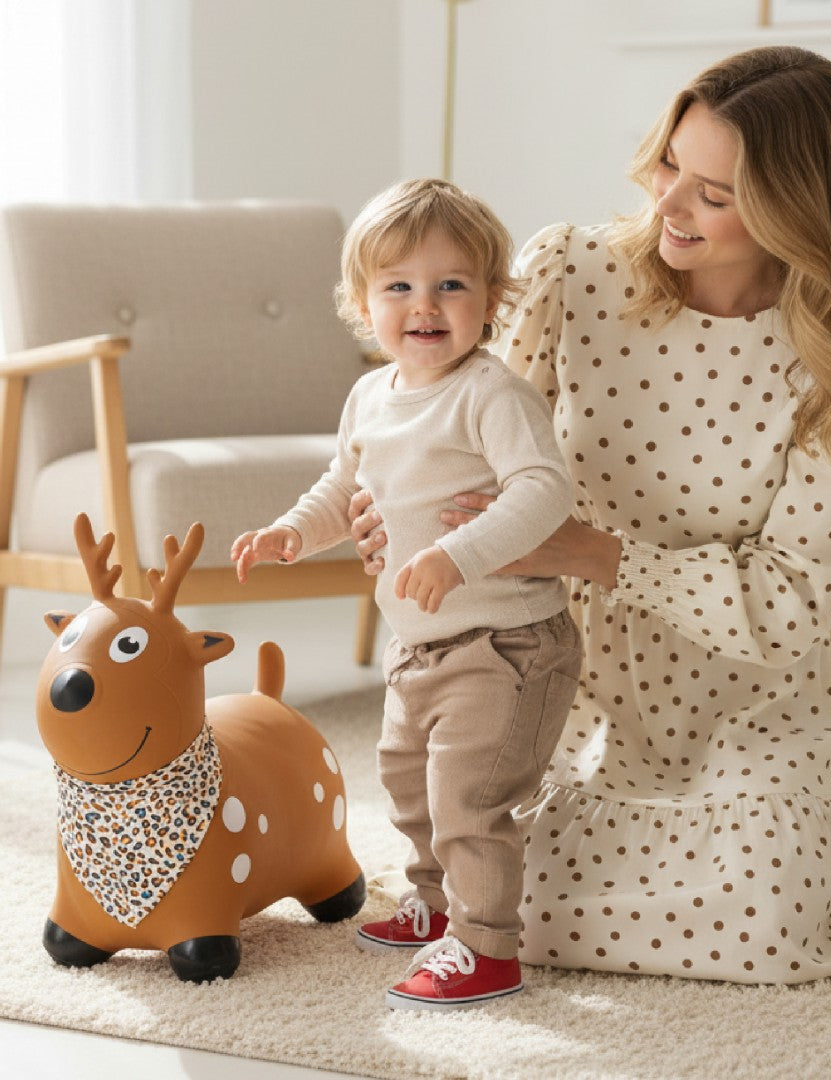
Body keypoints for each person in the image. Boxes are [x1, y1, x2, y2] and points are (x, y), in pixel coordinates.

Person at [348, 46, 831, 985]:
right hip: (563, 674)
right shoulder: (571, 272)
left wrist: (594, 550)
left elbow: (793, 603)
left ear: (798, 210)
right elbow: (455, 436)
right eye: (671, 163)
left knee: (763, 918)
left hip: (755, 697)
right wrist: (391, 517)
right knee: (492, 879)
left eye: (713, 194)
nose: (669, 203)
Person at [230, 178, 582, 1009]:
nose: (424, 305)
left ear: (493, 300)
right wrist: (291, 531)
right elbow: (341, 487)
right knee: (408, 783)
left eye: (451, 284)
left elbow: (543, 490)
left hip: (506, 643)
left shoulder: (492, 394)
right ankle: (433, 903)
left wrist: (458, 554)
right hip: (419, 645)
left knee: (467, 799)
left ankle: (486, 947)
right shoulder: (369, 397)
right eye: (399, 287)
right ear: (362, 303)